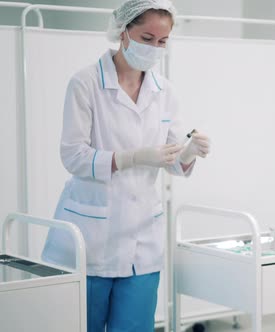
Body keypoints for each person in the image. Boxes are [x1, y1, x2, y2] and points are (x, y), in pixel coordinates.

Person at [42, 1, 210, 331]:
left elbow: (172, 160)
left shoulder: (165, 92)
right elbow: (73, 156)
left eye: (162, 42)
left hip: (142, 243)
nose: (154, 48)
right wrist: (130, 157)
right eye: (147, 38)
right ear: (123, 32)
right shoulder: (85, 83)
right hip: (90, 239)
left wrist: (189, 152)